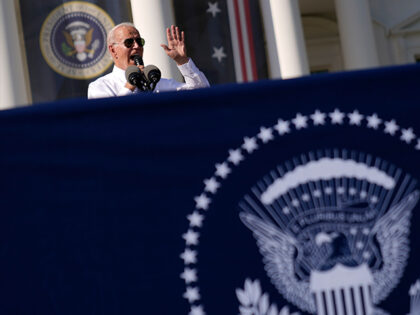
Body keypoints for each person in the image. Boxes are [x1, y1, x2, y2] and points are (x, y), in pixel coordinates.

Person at [88, 22, 209, 99]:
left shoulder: (158, 83)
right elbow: (108, 119)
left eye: (139, 42)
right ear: (113, 50)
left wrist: (182, 61)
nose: (136, 46)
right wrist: (130, 86)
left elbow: (202, 94)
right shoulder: (100, 87)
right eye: (129, 42)